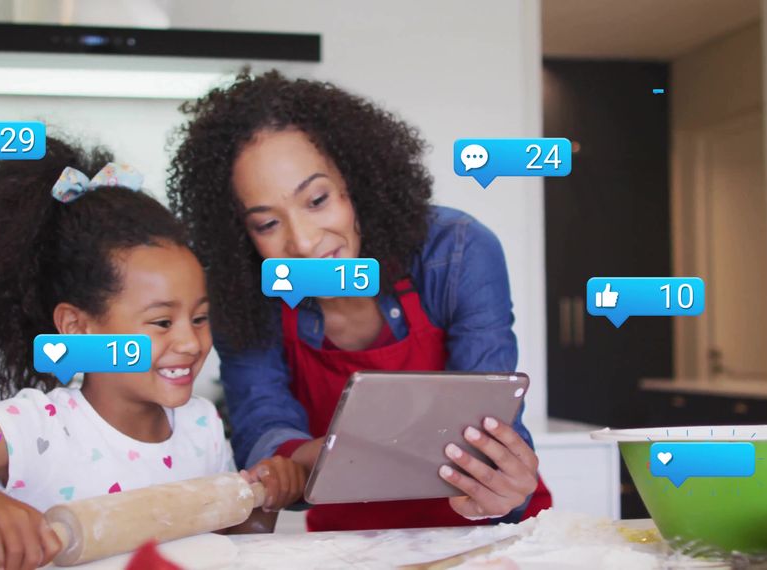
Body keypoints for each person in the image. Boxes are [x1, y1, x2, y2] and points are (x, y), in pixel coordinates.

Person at [0, 137, 305, 570]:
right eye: (162, 322)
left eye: (200, 318)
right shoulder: (40, 431)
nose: (190, 342)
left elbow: (225, 540)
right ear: (78, 329)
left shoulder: (201, 426)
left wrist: (265, 501)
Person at [167, 70, 552, 532]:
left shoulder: (457, 252)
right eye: (268, 224)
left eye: (317, 199)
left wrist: (503, 487)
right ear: (240, 236)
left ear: (358, 182)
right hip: (352, 542)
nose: (305, 243)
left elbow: (495, 424)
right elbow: (263, 425)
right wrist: (291, 463)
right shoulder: (247, 294)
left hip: (485, 531)